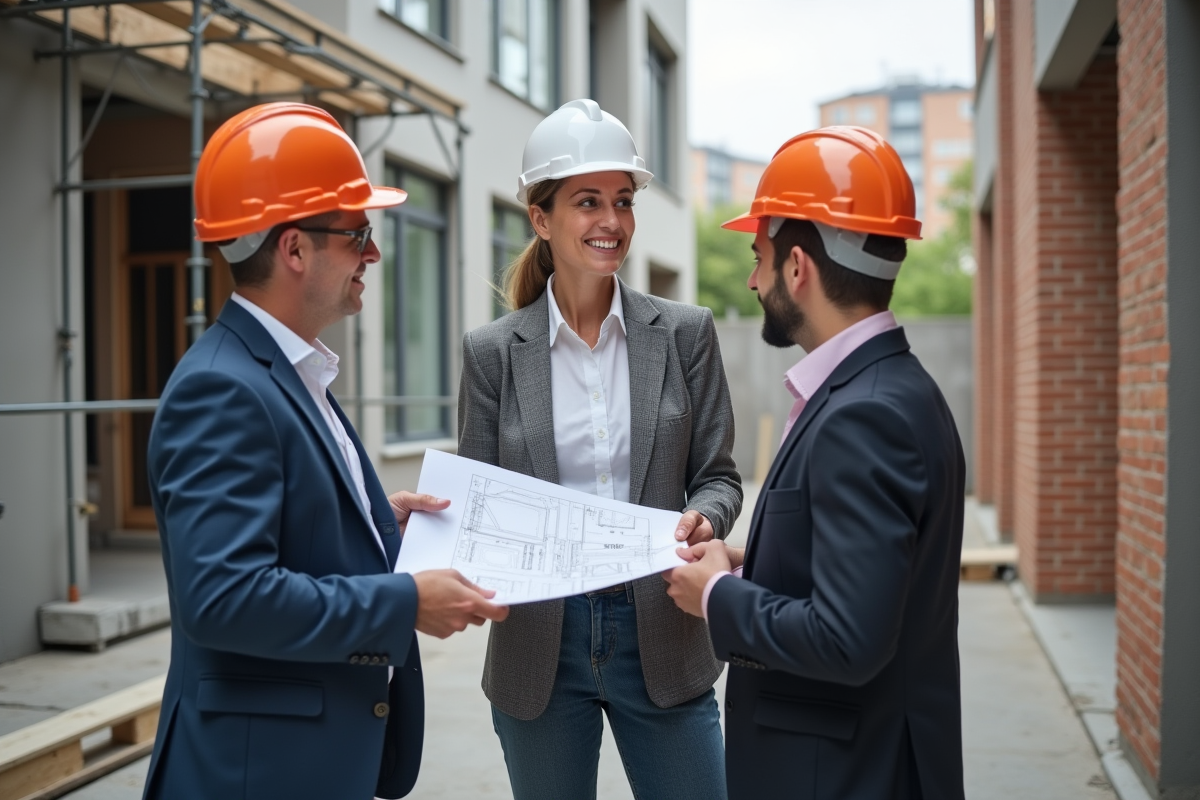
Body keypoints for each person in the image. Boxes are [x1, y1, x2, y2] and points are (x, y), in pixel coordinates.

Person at [142, 103, 508, 800]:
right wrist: (402, 603)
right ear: (294, 249)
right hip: (256, 775)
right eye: (358, 234)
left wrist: (373, 530)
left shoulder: (286, 371)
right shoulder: (223, 390)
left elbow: (287, 530)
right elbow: (222, 597)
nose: (372, 253)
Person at [663, 126, 967, 800]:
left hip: (843, 775)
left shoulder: (868, 415)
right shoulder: (890, 390)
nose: (751, 277)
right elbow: (873, 584)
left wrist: (715, 596)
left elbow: (848, 639)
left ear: (797, 268)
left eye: (758, 256)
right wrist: (762, 564)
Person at [456, 98, 742, 800]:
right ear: (541, 217)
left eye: (622, 200)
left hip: (664, 629)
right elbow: (477, 502)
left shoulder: (684, 334)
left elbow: (720, 478)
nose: (611, 222)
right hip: (539, 642)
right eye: (587, 202)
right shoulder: (493, 353)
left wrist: (708, 517)